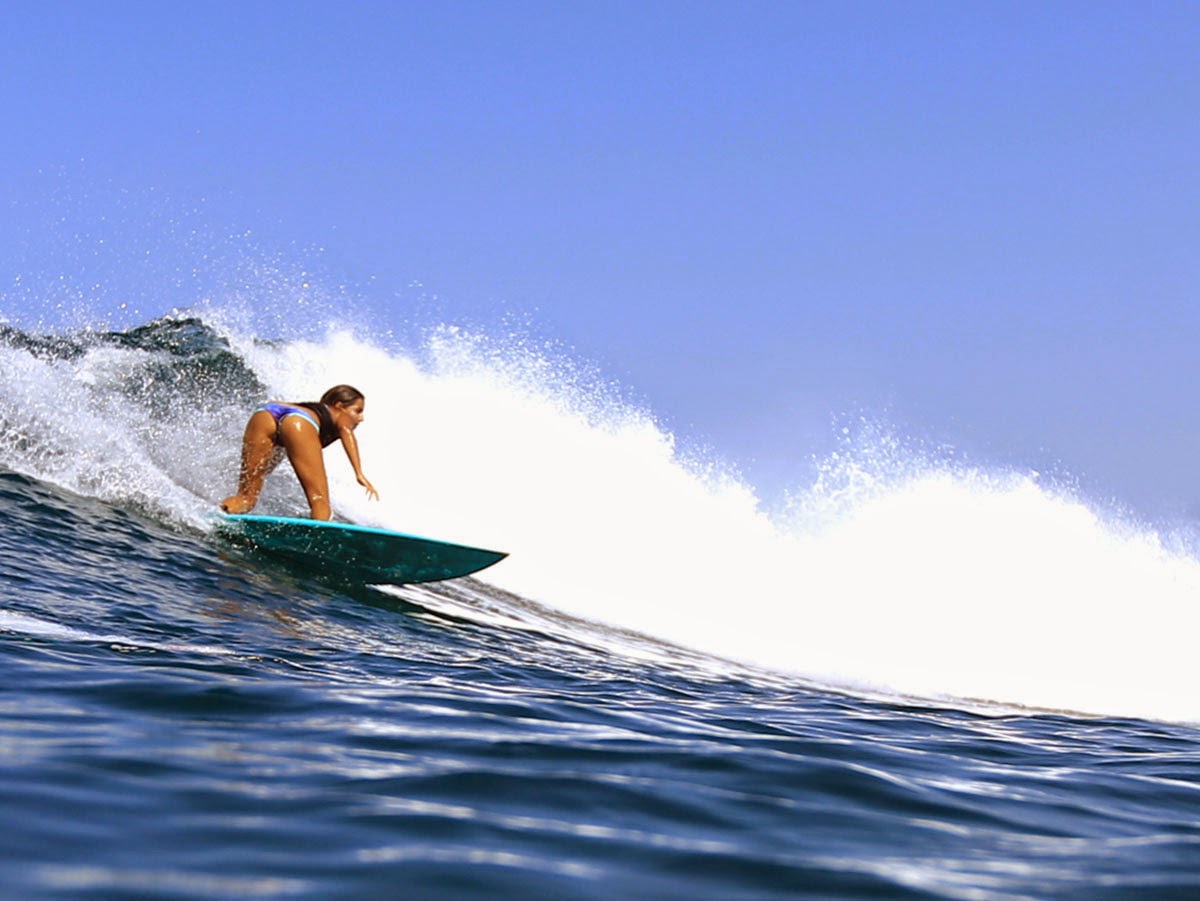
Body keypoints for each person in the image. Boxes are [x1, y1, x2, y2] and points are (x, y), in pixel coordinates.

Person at [220, 384, 379, 521]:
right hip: (299, 421)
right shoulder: (340, 421)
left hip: (266, 413)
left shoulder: (317, 409)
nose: (361, 418)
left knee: (246, 498)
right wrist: (359, 473)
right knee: (320, 500)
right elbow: (347, 432)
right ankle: (320, 539)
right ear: (339, 406)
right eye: (358, 411)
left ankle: (220, 514)